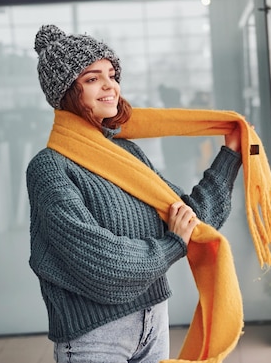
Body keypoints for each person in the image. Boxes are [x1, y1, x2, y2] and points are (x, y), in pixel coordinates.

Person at [27, 24, 243, 363]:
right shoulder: (51, 168)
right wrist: (173, 244)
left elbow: (189, 218)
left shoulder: (124, 153)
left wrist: (231, 153)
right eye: (92, 78)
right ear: (66, 91)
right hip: (94, 337)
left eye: (111, 74)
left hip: (154, 321)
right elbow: (102, 266)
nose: (110, 86)